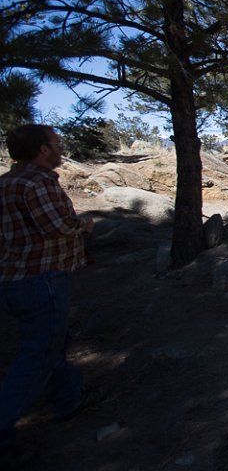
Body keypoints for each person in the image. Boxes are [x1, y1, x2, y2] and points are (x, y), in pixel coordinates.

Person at [0, 125, 96, 466]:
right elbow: (58, 227)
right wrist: (84, 225)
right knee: (38, 355)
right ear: (42, 149)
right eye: (56, 144)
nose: (60, 149)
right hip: (41, 278)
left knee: (51, 344)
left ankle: (67, 399)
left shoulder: (7, 181)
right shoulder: (38, 182)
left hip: (15, 277)